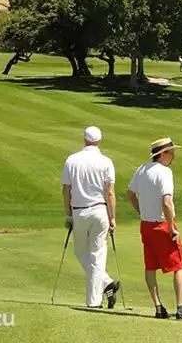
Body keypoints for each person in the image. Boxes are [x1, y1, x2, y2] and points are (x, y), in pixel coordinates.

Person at [127, 137, 182, 320]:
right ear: (162, 154)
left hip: (146, 225)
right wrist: (172, 226)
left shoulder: (141, 170)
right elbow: (167, 203)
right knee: (178, 264)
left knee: (150, 266)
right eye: (171, 153)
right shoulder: (164, 173)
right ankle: (181, 307)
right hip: (162, 224)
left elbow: (130, 194)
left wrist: (141, 210)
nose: (173, 156)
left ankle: (158, 306)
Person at [60, 125, 120, 309]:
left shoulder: (72, 160)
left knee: (81, 252)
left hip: (79, 211)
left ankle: (94, 301)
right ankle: (105, 284)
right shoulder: (106, 161)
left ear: (84, 139)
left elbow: (66, 190)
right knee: (97, 255)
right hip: (100, 210)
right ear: (99, 140)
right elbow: (109, 192)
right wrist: (112, 217)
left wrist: (68, 214)